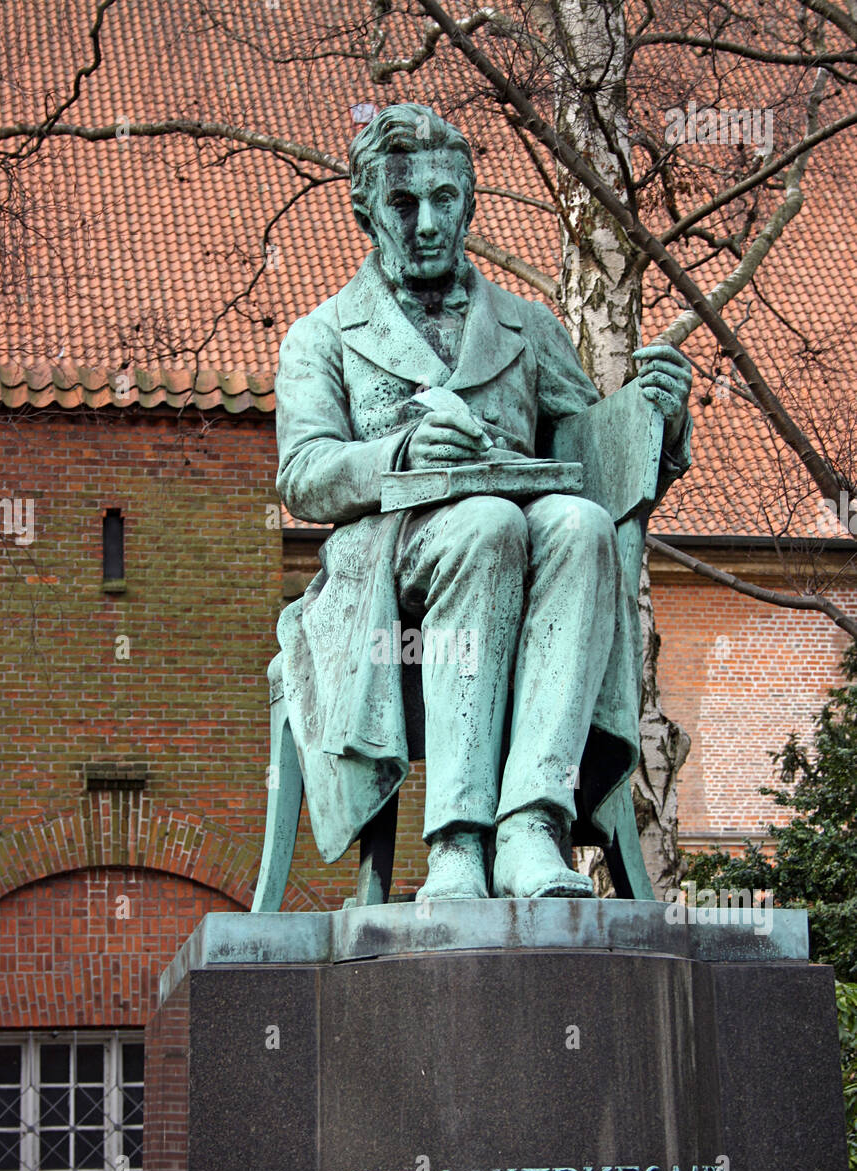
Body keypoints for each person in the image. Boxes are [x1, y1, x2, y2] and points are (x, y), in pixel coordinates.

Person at [274, 103, 692, 900]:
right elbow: (304, 473)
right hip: (387, 576)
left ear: (468, 203)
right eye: (403, 204)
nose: (427, 223)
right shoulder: (322, 334)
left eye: (443, 201)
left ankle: (533, 823)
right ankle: (456, 842)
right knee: (486, 524)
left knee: (579, 524)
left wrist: (656, 413)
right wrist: (397, 452)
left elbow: (586, 453)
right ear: (367, 211)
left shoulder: (527, 327)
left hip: (522, 544)